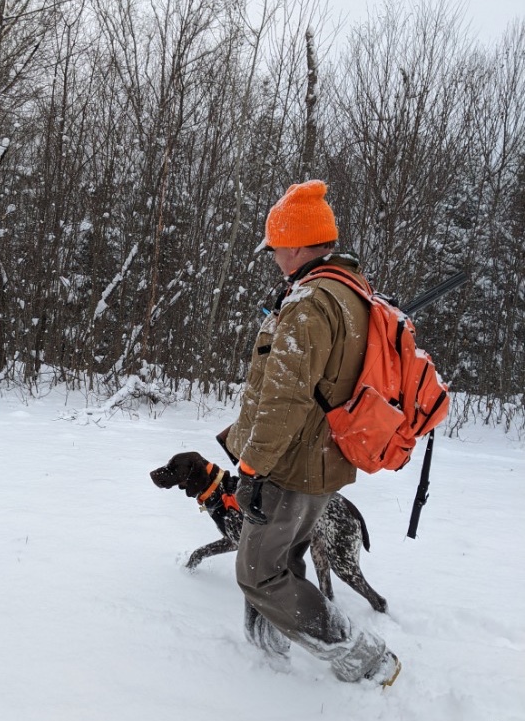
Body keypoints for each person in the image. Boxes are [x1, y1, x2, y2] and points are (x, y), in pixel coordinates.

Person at [224, 179, 401, 686]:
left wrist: (253, 467)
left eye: (275, 249)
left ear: (297, 244)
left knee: (258, 572)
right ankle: (267, 648)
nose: (273, 258)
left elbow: (285, 398)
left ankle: (368, 660)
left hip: (292, 464)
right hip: (320, 459)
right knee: (283, 557)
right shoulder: (350, 291)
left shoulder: (309, 302)